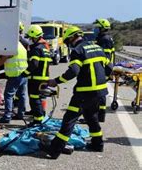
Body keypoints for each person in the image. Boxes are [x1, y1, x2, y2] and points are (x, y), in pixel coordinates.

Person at [41, 26, 113, 159]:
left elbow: (73, 72)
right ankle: (98, 144)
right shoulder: (98, 48)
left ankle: (54, 149)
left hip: (84, 93)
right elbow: (109, 67)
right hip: (100, 92)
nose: (68, 44)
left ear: (73, 37)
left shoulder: (78, 51)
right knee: (91, 117)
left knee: (69, 120)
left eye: (68, 41)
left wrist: (55, 81)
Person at [0, 40, 28, 123]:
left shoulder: (12, 47)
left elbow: (2, 61)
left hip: (15, 75)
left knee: (8, 95)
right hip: (24, 74)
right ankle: (21, 114)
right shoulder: (21, 46)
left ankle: (7, 116)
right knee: (22, 95)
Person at [21, 25, 51, 125]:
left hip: (36, 79)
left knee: (34, 99)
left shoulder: (36, 49)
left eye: (30, 37)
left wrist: (25, 73)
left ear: (35, 37)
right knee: (39, 99)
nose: (29, 40)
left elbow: (34, 64)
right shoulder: (44, 48)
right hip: (44, 78)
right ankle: (41, 116)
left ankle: (38, 120)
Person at [93, 18, 114, 122]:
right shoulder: (106, 38)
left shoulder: (104, 39)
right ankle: (99, 116)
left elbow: (105, 57)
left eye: (97, 27)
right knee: (100, 94)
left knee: (99, 94)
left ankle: (98, 116)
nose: (95, 29)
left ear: (102, 28)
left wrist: (106, 73)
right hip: (105, 69)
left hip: (103, 69)